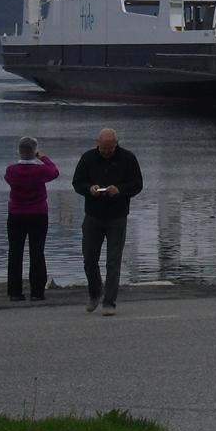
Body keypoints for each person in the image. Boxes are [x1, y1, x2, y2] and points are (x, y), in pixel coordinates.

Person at [71, 127, 143, 316]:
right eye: (103, 148)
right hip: (93, 215)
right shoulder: (88, 158)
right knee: (89, 259)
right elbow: (77, 183)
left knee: (113, 261)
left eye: (110, 148)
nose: (107, 152)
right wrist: (89, 189)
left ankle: (109, 302)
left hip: (117, 216)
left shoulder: (128, 158)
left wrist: (120, 190)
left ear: (116, 144)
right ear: (97, 143)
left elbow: (137, 184)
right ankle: (95, 292)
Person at [4, 136, 59, 302]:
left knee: (15, 252)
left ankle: (15, 292)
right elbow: (54, 171)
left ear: (19, 151)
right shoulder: (40, 171)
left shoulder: (11, 170)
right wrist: (43, 157)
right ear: (35, 151)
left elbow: (8, 179)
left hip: (16, 214)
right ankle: (37, 292)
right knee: (37, 252)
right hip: (38, 214)